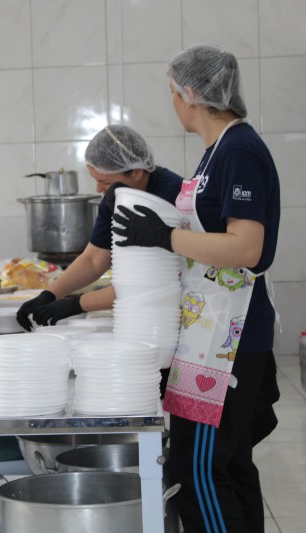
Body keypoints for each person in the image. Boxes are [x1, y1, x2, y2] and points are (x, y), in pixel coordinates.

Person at [113, 44, 280, 533]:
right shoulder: (218, 151)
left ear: (190, 93)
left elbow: (246, 247)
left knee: (199, 469)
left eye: (172, 92)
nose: (172, 103)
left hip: (226, 342)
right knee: (230, 465)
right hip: (211, 330)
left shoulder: (239, 150)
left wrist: (164, 237)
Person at [16, 125, 183, 330]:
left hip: (177, 313)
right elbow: (93, 260)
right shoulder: (117, 197)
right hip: (143, 315)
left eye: (105, 181)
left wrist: (76, 304)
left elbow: (149, 281)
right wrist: (49, 294)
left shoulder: (174, 196)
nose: (98, 189)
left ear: (137, 172)